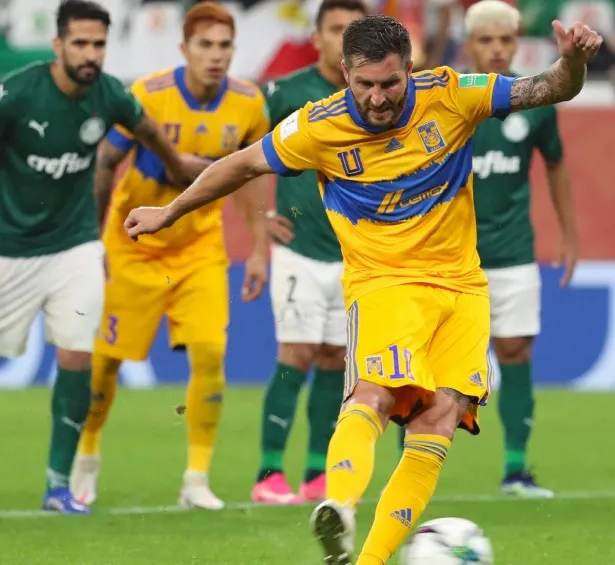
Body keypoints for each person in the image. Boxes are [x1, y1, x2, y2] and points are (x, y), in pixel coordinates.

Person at [123, 13, 601, 563]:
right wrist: (172, 210)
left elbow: (547, 88)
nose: (376, 98)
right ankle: (340, 504)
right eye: (364, 85)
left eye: (389, 84)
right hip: (383, 284)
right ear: (345, 73)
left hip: (463, 287)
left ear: (410, 71)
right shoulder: (318, 126)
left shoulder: (451, 93)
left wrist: (573, 62)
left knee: (438, 421)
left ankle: (368, 560)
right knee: (372, 395)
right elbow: (243, 164)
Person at [0, 0, 200, 515]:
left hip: (75, 248)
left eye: (98, 44)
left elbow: (147, 129)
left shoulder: (110, 94)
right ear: (58, 46)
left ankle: (58, 485)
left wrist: (176, 164)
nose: (91, 53)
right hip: (9, 250)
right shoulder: (17, 93)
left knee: (77, 356)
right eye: (80, 43)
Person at [69, 1, 271, 511]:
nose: (216, 56)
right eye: (205, 45)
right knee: (105, 365)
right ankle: (86, 455)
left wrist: (260, 247)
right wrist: (94, 241)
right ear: (184, 49)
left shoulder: (248, 103)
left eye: (225, 46)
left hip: (199, 245)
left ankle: (196, 478)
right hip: (133, 245)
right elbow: (106, 163)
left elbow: (252, 177)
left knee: (209, 354)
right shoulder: (148, 96)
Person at [396, 0, 577, 499]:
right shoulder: (441, 97)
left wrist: (569, 234)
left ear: (517, 42)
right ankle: (406, 465)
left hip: (512, 251)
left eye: (506, 40)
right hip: (441, 257)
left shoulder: (535, 100)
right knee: (421, 364)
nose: (497, 50)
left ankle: (517, 469)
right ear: (469, 45)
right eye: (486, 41)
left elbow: (556, 166)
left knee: (516, 350)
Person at [251, 0, 368, 507]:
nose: (343, 39)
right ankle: (268, 472)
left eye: (353, 31)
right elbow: (242, 154)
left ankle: (318, 474)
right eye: (335, 29)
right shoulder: (284, 93)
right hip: (299, 250)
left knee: (335, 359)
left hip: (355, 253)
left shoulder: (375, 97)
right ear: (317, 36)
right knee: (295, 354)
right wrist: (258, 219)